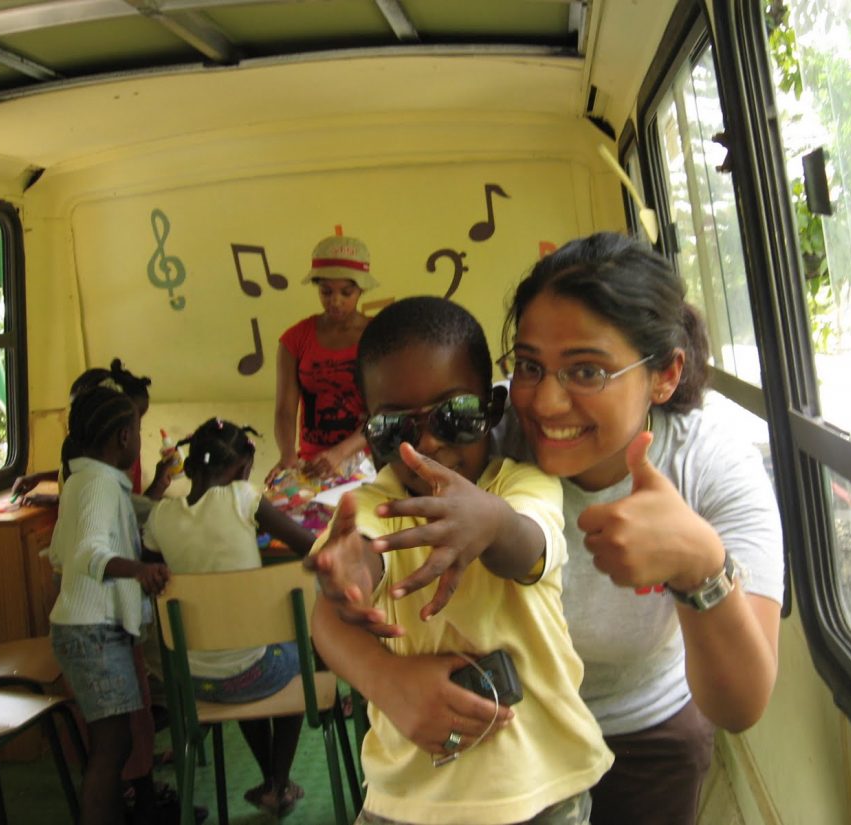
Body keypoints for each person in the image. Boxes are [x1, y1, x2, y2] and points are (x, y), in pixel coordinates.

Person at [314, 233, 785, 825]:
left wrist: (700, 569)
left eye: (587, 370)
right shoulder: (473, 430)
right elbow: (334, 601)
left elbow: (741, 704)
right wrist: (388, 680)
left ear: (664, 374)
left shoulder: (711, 467)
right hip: (492, 740)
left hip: (644, 731)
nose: (547, 402)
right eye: (531, 365)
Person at [307, 296, 613, 825]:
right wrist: (352, 572)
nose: (426, 444)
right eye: (395, 429)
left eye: (455, 416)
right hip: (408, 802)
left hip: (541, 791)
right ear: (370, 433)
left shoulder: (521, 485)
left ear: (491, 411)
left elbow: (528, 545)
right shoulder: (379, 503)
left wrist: (489, 523)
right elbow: (361, 554)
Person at [141, 417, 315, 817]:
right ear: (242, 470)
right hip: (253, 673)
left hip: (193, 682)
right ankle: (280, 781)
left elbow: (148, 566)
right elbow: (307, 546)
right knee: (297, 654)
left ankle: (272, 781)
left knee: (238, 653)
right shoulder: (243, 497)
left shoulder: (161, 518)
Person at [47, 384, 171, 825]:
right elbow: (84, 554)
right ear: (124, 437)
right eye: (137, 430)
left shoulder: (87, 480)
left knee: (114, 745)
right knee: (111, 747)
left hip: (87, 629)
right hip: (92, 632)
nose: (138, 440)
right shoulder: (98, 485)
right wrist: (138, 571)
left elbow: (62, 550)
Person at [265, 235, 378, 485]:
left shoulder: (378, 338)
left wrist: (340, 453)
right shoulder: (295, 339)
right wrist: (287, 455)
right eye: (326, 292)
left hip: (369, 462)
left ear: (361, 289)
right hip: (313, 463)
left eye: (346, 292)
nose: (335, 301)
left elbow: (385, 412)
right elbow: (285, 410)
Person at [12, 358, 173, 508]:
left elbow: (127, 515)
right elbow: (85, 481)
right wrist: (40, 479)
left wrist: (159, 485)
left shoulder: (121, 460)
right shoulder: (93, 451)